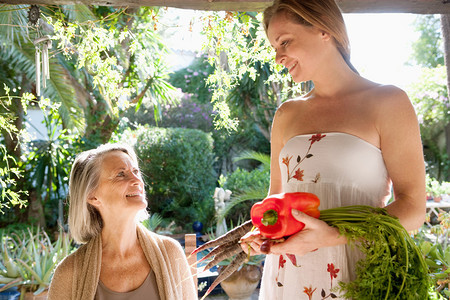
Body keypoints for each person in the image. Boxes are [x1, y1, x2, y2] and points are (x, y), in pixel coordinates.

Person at [240, 0, 426, 299]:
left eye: (285, 42)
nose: (278, 57)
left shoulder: (388, 102)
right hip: (290, 276)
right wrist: (264, 231)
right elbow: (275, 197)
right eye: (275, 47)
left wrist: (334, 236)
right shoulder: (286, 113)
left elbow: (414, 208)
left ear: (324, 30)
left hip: (358, 272)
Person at [48, 143, 197, 300]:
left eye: (135, 171)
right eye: (121, 174)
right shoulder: (69, 273)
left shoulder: (170, 253)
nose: (137, 181)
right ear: (92, 196)